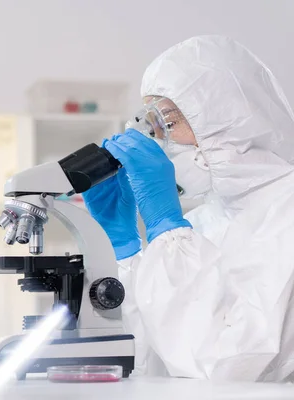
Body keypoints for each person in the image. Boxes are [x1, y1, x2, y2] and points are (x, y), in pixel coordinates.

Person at [83, 35, 294, 382]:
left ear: (228, 117)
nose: (156, 137)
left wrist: (167, 230)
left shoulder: (285, 209)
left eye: (166, 120)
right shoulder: (198, 223)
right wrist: (126, 253)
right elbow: (151, 358)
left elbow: (229, 367)